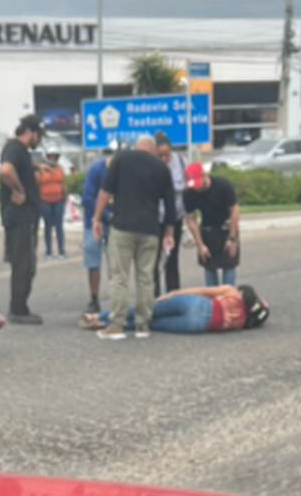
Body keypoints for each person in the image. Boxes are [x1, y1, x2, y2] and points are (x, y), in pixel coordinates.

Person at [92, 135, 176, 341]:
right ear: (153, 150)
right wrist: (169, 233)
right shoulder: (162, 168)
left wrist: (96, 219)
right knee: (145, 278)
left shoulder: (121, 159)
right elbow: (170, 205)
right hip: (150, 230)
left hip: (123, 227)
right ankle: (143, 325)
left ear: (137, 147)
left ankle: (117, 325)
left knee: (119, 277)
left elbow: (105, 191)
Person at [0, 115, 45, 325]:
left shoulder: (21, 152)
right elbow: (6, 170)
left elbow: (16, 168)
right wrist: (19, 190)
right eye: (40, 135)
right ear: (31, 132)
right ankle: (18, 309)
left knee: (27, 265)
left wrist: (35, 169)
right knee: (22, 265)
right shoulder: (14, 148)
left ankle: (21, 306)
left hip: (25, 218)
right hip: (19, 218)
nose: (40, 140)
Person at [79, 284, 269, 334]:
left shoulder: (231, 292)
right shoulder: (240, 323)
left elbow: (202, 291)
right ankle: (104, 323)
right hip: (197, 325)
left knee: (144, 310)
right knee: (149, 323)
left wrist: (174, 294)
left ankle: (99, 316)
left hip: (196, 304)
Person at [183, 162, 240, 287]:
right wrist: (200, 244)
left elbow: (234, 210)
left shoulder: (222, 185)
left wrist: (232, 237)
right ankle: (213, 299)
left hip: (226, 225)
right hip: (207, 227)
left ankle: (228, 296)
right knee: (209, 264)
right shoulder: (189, 193)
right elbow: (190, 219)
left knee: (228, 264)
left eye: (197, 184)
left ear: (204, 176)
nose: (196, 188)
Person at [81, 146, 115, 315]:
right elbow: (87, 198)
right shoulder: (96, 170)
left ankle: (117, 298)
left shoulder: (123, 171)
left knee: (116, 261)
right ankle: (94, 299)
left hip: (116, 222)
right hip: (93, 220)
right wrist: (105, 215)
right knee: (93, 260)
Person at [153, 131, 187, 297]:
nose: (164, 159)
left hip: (175, 218)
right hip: (155, 218)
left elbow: (188, 189)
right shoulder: (150, 165)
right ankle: (154, 298)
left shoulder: (181, 162)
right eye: (160, 156)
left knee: (172, 259)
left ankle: (174, 296)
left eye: (167, 155)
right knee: (153, 261)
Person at [36, 149, 67, 260]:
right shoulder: (42, 170)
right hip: (44, 201)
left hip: (58, 200)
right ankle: (48, 251)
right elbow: (36, 183)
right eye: (51, 156)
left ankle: (61, 250)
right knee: (47, 226)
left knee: (59, 225)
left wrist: (65, 199)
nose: (53, 158)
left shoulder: (60, 169)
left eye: (55, 156)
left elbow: (63, 184)